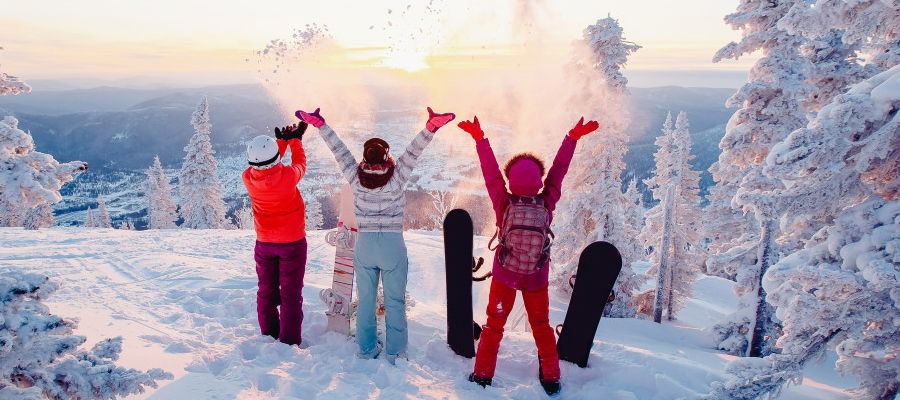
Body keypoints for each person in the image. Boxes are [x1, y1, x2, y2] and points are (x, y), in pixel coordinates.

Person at [297, 106, 455, 363]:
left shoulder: (355, 177)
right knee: (394, 302)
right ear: (386, 157)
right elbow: (414, 151)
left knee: (366, 300)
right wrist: (431, 127)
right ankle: (396, 351)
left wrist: (321, 126)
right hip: (392, 245)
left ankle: (366, 348)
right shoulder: (396, 178)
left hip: (366, 245)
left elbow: (339, 151)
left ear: (365, 158)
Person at [457, 115, 599, 396]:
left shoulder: (503, 201)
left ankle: (483, 375)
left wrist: (480, 138)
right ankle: (551, 378)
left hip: (504, 276)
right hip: (536, 276)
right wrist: (572, 138)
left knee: (494, 325)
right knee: (542, 326)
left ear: (510, 180)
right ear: (538, 180)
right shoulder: (546, 201)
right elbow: (560, 169)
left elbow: (490, 173)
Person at [241, 123, 309, 346]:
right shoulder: (288, 175)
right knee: (290, 293)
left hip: (264, 244)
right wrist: (295, 140)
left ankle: (268, 333)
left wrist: (279, 143)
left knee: (266, 290)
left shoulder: (248, 178)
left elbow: (266, 165)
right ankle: (289, 341)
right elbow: (300, 164)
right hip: (292, 243)